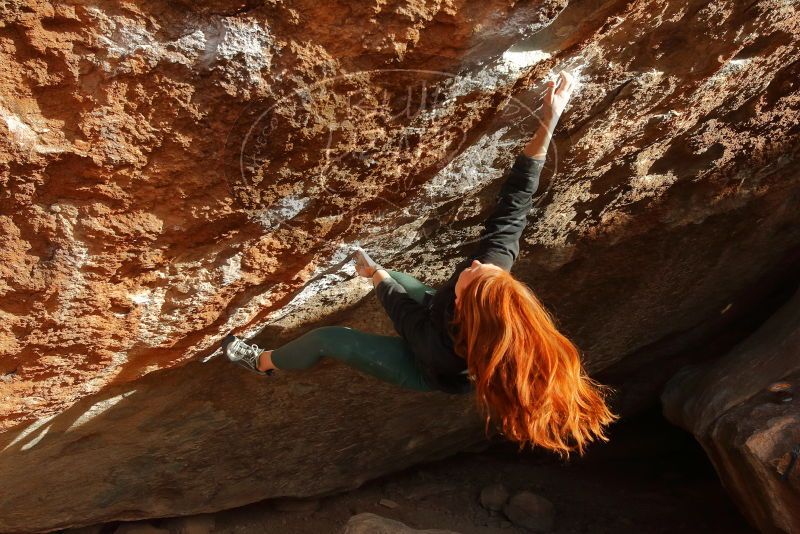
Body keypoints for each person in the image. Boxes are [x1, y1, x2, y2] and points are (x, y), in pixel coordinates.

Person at [222, 70, 618, 457]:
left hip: (426, 364)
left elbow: (408, 320)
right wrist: (550, 118)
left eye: (469, 278)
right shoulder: (493, 269)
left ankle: (262, 362)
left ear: (464, 307)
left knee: (331, 338)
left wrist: (373, 275)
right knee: (396, 280)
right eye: (484, 270)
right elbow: (518, 197)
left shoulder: (443, 352)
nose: (474, 265)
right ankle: (393, 285)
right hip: (441, 320)